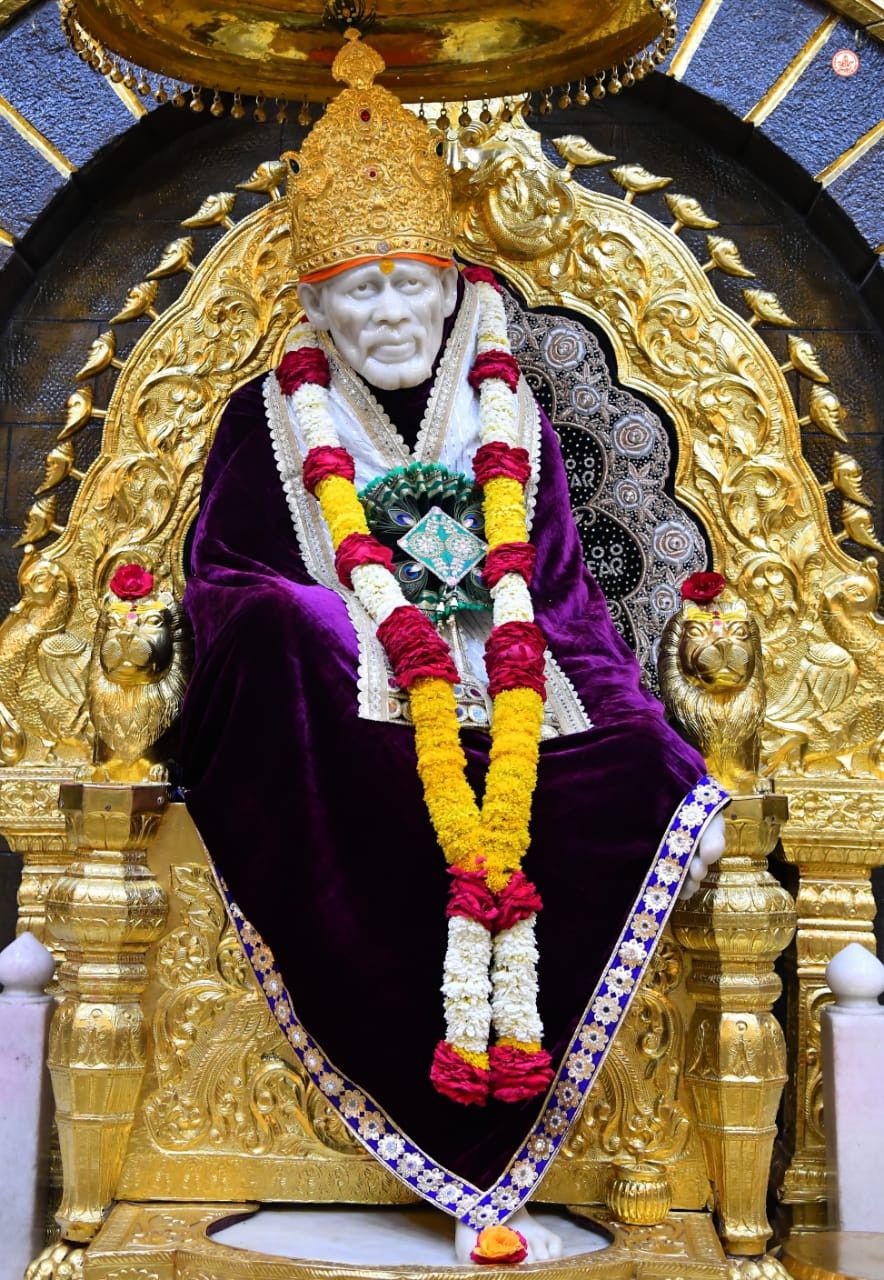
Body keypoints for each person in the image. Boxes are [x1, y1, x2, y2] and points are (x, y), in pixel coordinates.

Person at [179, 32, 726, 1266]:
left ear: (449, 289)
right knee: (285, 627)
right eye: (358, 290)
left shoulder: (509, 420)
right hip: (345, 697)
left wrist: (662, 751)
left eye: (407, 285)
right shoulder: (266, 419)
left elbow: (565, 608)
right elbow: (228, 586)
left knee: (631, 765)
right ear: (316, 304)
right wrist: (358, 630)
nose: (387, 313)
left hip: (513, 693)